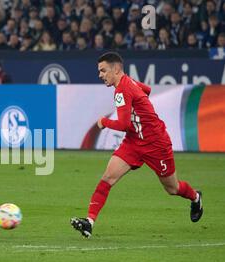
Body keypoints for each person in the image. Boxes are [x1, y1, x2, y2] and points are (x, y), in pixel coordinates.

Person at [70, 52, 203, 238]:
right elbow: (147, 90)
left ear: (116, 69)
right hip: (133, 142)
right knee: (108, 177)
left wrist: (103, 122)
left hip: (156, 143)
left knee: (172, 188)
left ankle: (196, 197)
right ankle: (89, 222)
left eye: (103, 70)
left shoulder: (121, 90)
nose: (100, 75)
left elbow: (123, 124)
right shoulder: (127, 81)